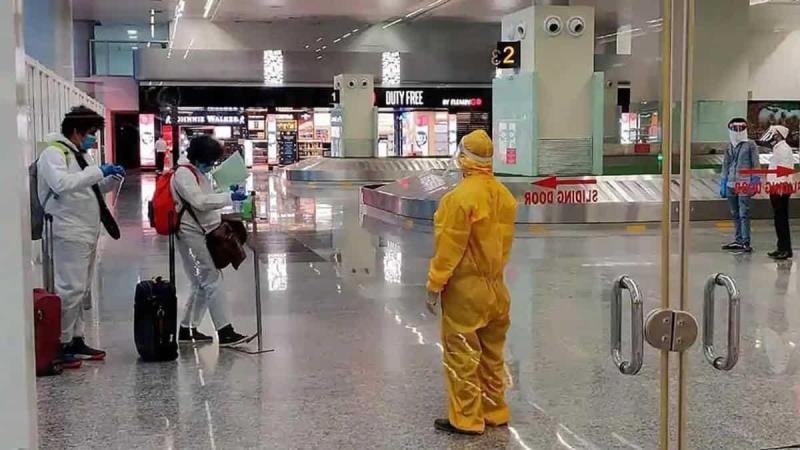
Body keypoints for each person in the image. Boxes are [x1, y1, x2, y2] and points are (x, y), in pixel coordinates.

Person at [426, 129, 517, 435]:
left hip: (466, 294)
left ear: (464, 157)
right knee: (492, 355)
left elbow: (449, 248)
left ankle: (465, 419)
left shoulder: (460, 198)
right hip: (497, 290)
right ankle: (495, 411)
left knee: (462, 355)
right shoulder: (504, 196)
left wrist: (434, 284)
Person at [37, 106, 126, 368]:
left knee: (81, 290)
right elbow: (61, 185)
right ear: (76, 131)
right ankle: (59, 344)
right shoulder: (54, 153)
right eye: (91, 133)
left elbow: (90, 187)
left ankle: (76, 339)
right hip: (67, 231)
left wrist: (111, 179)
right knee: (70, 289)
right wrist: (99, 171)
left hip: (85, 231)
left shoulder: (78, 155)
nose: (93, 139)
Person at [171, 135, 249, 346]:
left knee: (202, 282)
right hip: (191, 234)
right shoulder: (183, 174)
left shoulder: (195, 172)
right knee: (212, 280)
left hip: (201, 232)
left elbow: (206, 195)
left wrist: (224, 192)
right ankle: (225, 332)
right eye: (209, 162)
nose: (211, 166)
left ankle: (187, 329)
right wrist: (227, 197)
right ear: (197, 158)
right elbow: (199, 202)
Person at [721, 117, 760, 253]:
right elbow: (725, 164)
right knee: (734, 213)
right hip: (731, 183)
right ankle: (738, 239)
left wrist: (755, 180)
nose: (737, 131)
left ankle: (745, 241)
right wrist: (723, 181)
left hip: (744, 183)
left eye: (740, 128)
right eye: (734, 128)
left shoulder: (750, 145)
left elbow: (755, 164)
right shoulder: (729, 145)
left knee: (744, 213)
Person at [763, 125, 795, 260]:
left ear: (779, 135)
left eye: (774, 134)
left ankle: (786, 249)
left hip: (780, 188)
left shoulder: (783, 149)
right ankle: (781, 247)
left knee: (781, 219)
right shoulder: (778, 148)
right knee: (778, 219)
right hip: (776, 187)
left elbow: (785, 171)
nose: (772, 136)